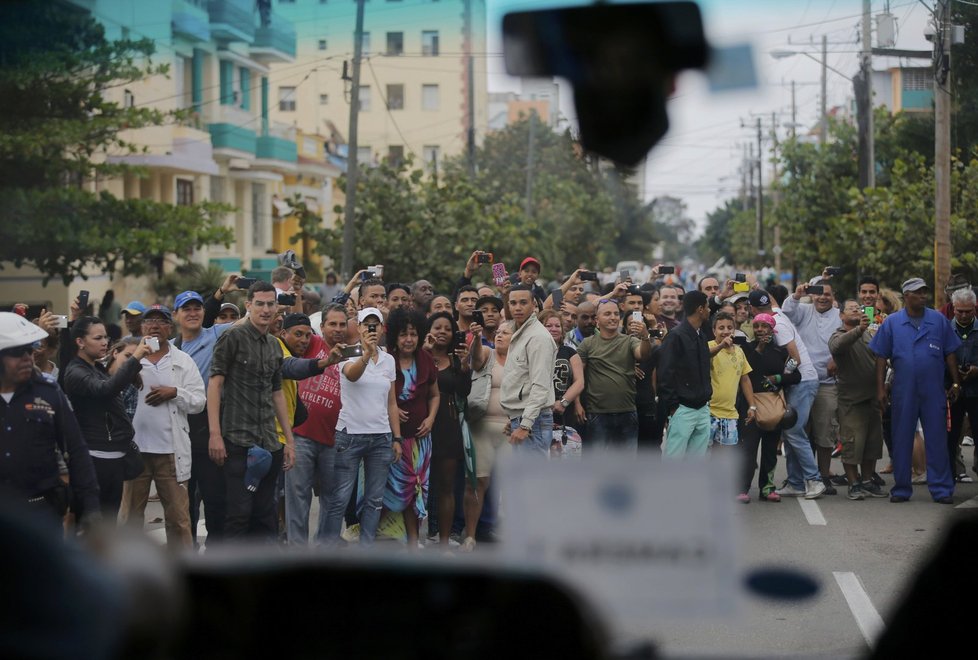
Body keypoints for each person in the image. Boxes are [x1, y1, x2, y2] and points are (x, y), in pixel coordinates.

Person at [207, 281, 296, 540]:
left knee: (265, 516)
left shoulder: (273, 344)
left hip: (269, 442)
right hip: (237, 441)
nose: (266, 309)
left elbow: (277, 392)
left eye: (271, 304)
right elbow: (215, 384)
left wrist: (289, 441)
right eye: (260, 304)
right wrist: (215, 434)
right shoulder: (232, 337)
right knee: (238, 515)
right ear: (249, 306)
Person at [0, 312, 101, 529]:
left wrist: (90, 507)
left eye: (30, 349)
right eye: (18, 352)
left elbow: (76, 449)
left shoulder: (48, 391)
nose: (28, 357)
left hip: (41, 512)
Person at [870, 278, 961, 504]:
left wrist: (956, 383)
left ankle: (941, 489)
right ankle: (901, 488)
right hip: (904, 390)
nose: (923, 296)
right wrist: (880, 388)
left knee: (937, 439)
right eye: (918, 293)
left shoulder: (938, 320)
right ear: (907, 296)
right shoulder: (892, 323)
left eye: (924, 292)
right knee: (902, 438)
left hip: (933, 390)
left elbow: (950, 352)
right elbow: (881, 356)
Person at [121, 305, 205, 548]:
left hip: (171, 452)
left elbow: (199, 401)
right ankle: (130, 571)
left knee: (179, 520)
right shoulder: (130, 356)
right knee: (130, 518)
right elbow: (109, 387)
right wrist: (130, 369)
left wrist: (175, 392)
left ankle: (182, 571)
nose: (155, 326)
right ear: (142, 327)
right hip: (135, 451)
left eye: (161, 321)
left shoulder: (182, 360)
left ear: (170, 327)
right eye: (150, 321)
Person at [321, 307, 403, 546]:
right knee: (340, 498)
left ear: (382, 328)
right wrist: (366, 355)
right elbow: (352, 375)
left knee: (374, 500)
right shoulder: (347, 353)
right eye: (366, 324)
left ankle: (366, 552)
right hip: (349, 436)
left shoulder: (388, 359)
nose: (371, 328)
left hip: (380, 438)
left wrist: (396, 437)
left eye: (375, 324)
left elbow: (391, 402)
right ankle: (328, 549)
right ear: (357, 327)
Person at [61, 314, 151, 519]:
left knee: (108, 527)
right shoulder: (75, 371)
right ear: (80, 342)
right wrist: (135, 357)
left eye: (106, 338)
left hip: (115, 459)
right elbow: (105, 390)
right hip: (94, 460)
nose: (104, 343)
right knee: (91, 526)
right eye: (98, 338)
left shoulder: (96, 368)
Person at [173, 286, 236, 544]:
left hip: (209, 424)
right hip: (179, 427)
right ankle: (186, 554)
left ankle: (216, 554)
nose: (192, 313)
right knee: (183, 500)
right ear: (175, 315)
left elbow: (248, 320)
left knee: (214, 497)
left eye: (197, 308)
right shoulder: (170, 348)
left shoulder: (217, 333)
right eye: (186, 309)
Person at [749, 290, 825, 500]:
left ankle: (814, 480)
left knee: (793, 431)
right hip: (802, 382)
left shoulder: (778, 325)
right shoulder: (775, 313)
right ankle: (796, 482)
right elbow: (772, 301)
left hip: (804, 380)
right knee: (790, 431)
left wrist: (780, 378)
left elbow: (795, 359)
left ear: (753, 309)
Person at [285, 304, 347, 544]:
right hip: (300, 436)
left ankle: (325, 553)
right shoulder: (312, 344)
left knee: (333, 500)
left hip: (336, 439)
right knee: (297, 499)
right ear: (321, 328)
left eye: (343, 324)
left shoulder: (355, 353)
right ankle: (297, 557)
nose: (338, 329)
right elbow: (296, 323)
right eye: (332, 324)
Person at [384, 308, 439, 548]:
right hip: (392, 441)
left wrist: (431, 419)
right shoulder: (385, 359)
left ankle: (413, 545)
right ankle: (386, 543)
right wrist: (392, 413)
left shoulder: (426, 359)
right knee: (390, 494)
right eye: (404, 334)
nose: (409, 339)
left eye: (414, 334)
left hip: (420, 441)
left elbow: (435, 395)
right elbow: (378, 397)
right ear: (395, 336)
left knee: (416, 493)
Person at [782, 278, 843, 493]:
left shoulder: (839, 315)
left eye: (827, 293)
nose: (822, 297)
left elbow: (846, 340)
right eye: (819, 293)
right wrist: (797, 295)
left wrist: (838, 358)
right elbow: (786, 312)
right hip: (802, 382)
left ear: (833, 296)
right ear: (812, 295)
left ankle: (823, 477)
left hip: (827, 383)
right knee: (798, 432)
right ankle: (796, 480)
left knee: (824, 433)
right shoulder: (803, 310)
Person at [422, 311, 474, 545]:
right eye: (437, 327)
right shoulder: (418, 356)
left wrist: (464, 367)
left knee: (446, 486)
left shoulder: (456, 360)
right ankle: (413, 539)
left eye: (447, 328)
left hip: (448, 427)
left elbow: (463, 392)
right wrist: (424, 353)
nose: (442, 332)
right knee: (415, 485)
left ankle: (444, 540)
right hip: (420, 424)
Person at [577, 299, 655, 452]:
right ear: (597, 320)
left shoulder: (629, 341)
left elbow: (642, 354)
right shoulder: (587, 344)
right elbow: (578, 377)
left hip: (627, 412)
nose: (613, 317)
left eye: (615, 314)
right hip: (597, 414)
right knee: (598, 464)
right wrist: (577, 404)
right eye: (607, 314)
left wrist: (645, 336)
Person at [462, 321, 514, 551]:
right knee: (477, 481)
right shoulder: (486, 351)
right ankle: (470, 536)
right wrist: (476, 339)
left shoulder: (522, 360)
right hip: (481, 426)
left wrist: (522, 421)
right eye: (499, 332)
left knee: (511, 484)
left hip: (510, 428)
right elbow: (475, 359)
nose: (500, 335)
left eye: (506, 332)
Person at [829, 300, 888, 500]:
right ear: (841, 316)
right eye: (850, 308)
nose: (855, 309)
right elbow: (838, 346)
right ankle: (854, 483)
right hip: (851, 401)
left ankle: (868, 481)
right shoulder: (838, 335)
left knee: (872, 444)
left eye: (858, 308)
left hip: (873, 398)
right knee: (852, 444)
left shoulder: (869, 333)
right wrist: (859, 329)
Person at [739, 313, 800, 502]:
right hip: (750, 405)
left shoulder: (781, 352)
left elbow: (796, 376)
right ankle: (742, 488)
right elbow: (747, 370)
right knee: (748, 449)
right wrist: (759, 348)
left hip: (773, 406)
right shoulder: (746, 349)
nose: (760, 330)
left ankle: (767, 487)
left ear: (772, 329)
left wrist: (778, 378)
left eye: (764, 326)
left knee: (770, 449)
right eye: (756, 326)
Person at [500, 286, 557, 457]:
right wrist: (516, 418)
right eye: (513, 303)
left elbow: (540, 385)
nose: (518, 307)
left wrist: (525, 424)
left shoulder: (538, 337)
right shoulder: (520, 331)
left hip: (534, 421)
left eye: (523, 302)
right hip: (525, 417)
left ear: (533, 305)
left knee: (535, 481)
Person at [658, 291, 712, 458]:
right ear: (700, 309)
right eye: (708, 306)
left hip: (703, 408)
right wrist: (674, 407)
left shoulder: (701, 335)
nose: (710, 310)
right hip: (682, 409)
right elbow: (665, 374)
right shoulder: (675, 335)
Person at [707, 313, 756, 470]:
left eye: (730, 328)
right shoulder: (708, 346)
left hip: (729, 414)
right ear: (714, 331)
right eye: (721, 328)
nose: (726, 331)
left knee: (723, 458)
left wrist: (752, 406)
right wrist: (721, 346)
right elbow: (704, 357)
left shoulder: (739, 351)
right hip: (707, 413)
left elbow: (745, 379)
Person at [540, 310, 586, 448]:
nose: (553, 329)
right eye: (548, 325)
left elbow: (579, 382)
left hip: (565, 412)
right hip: (539, 411)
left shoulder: (570, 352)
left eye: (557, 325)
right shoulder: (533, 350)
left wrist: (563, 402)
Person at [947, 288, 978, 483]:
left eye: (969, 311)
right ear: (953, 309)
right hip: (952, 392)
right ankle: (949, 476)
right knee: (950, 438)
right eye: (960, 311)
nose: (964, 315)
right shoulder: (945, 330)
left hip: (976, 392)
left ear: (975, 308)